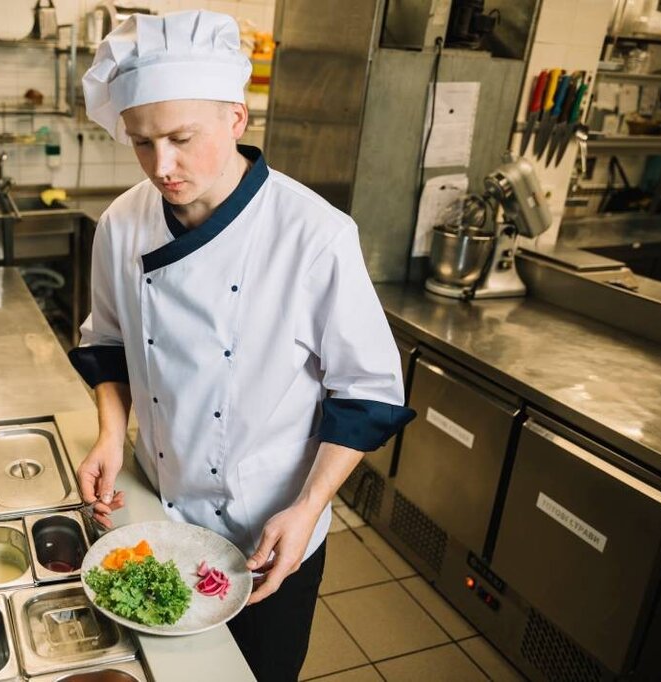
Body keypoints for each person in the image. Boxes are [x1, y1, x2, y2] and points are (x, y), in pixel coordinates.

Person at [68, 10, 415, 681]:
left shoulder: (313, 234)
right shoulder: (121, 222)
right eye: (141, 142)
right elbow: (107, 345)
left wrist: (309, 507)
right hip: (158, 510)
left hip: (271, 529)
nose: (162, 166)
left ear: (236, 117)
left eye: (181, 138)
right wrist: (111, 435)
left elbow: (366, 394)